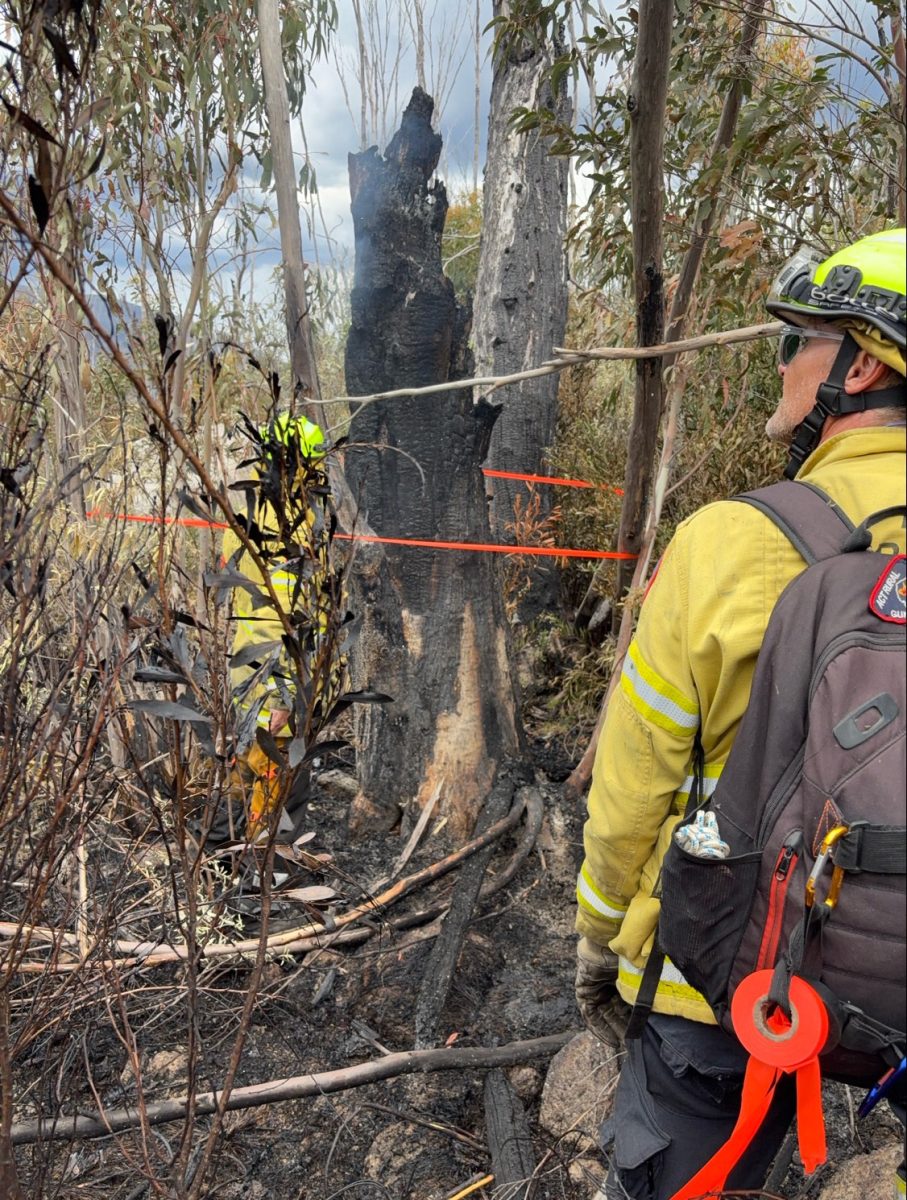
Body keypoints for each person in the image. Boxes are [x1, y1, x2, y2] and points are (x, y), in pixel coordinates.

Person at [573, 228, 907, 1199]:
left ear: (863, 362)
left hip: (729, 984)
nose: (783, 361)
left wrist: (601, 934)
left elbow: (636, 788)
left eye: (797, 337)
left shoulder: (729, 542)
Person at [220, 410, 331, 841]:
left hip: (246, 674)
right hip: (274, 679)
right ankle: (261, 880)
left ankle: (214, 860)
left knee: (244, 771)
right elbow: (283, 619)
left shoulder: (249, 515)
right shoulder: (293, 528)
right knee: (278, 780)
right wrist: (285, 693)